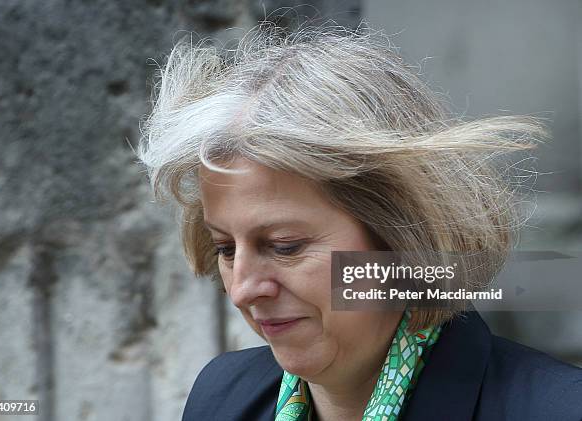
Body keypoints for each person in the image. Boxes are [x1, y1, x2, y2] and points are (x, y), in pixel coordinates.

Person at [137, 22, 582, 421]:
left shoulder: (555, 408)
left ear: (405, 238)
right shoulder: (221, 397)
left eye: (285, 245)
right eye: (226, 249)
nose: (242, 289)